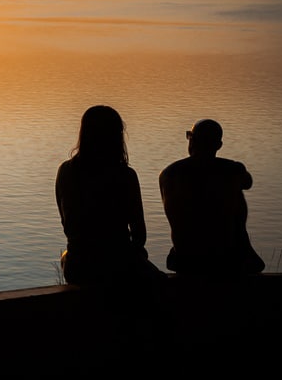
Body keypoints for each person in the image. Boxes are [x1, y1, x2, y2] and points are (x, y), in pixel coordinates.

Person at [55, 105, 163, 286]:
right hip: (117, 264)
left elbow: (67, 223)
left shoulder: (66, 171)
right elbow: (139, 234)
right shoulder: (125, 175)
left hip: (78, 266)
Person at [159, 119, 265, 276]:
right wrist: (235, 169)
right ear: (218, 146)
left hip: (184, 258)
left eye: (190, 136)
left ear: (192, 142)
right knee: (235, 190)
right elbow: (247, 182)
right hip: (225, 259)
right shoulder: (232, 170)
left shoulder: (169, 173)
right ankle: (242, 253)